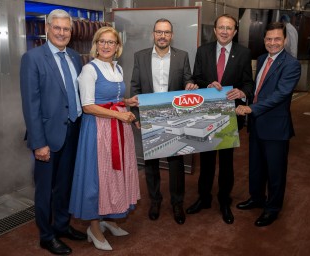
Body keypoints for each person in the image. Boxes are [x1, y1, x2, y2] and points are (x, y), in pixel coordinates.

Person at [20, 9, 86, 255]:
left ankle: (61, 225)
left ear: (71, 31)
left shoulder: (75, 57)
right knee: (45, 190)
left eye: (66, 28)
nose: (61, 32)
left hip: (73, 132)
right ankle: (46, 236)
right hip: (48, 137)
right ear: (47, 29)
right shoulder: (33, 58)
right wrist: (39, 143)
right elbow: (31, 105)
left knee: (65, 185)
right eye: (56, 28)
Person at [69, 26, 140, 251]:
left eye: (111, 42)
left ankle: (108, 219)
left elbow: (111, 98)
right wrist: (119, 114)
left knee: (115, 175)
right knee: (98, 178)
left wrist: (127, 102)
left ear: (117, 47)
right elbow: (88, 106)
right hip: (98, 130)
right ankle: (94, 228)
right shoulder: (89, 70)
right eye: (102, 42)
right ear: (96, 45)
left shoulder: (115, 67)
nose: (106, 46)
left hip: (117, 128)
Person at [186, 14, 254, 225]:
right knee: (205, 162)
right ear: (214, 30)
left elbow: (248, 84)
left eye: (229, 28)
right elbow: (196, 78)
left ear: (235, 32)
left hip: (230, 117)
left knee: (226, 163)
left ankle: (224, 200)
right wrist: (204, 86)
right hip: (206, 114)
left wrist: (240, 92)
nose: (225, 31)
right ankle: (204, 198)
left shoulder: (244, 53)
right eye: (221, 27)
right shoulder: (202, 51)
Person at [130, 18, 198, 225]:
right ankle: (155, 200)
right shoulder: (140, 56)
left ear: (172, 35)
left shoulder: (182, 56)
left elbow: (188, 79)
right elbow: (135, 88)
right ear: (153, 34)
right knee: (151, 164)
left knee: (176, 164)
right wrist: (138, 115)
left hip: (174, 117)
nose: (162, 36)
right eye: (159, 32)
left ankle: (177, 203)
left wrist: (190, 85)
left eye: (166, 32)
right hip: (150, 116)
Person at [235, 22, 301, 227]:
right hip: (257, 125)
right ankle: (256, 198)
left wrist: (251, 109)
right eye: (269, 39)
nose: (272, 43)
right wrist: (244, 96)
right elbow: (259, 90)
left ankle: (272, 209)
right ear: (264, 40)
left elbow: (280, 94)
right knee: (255, 167)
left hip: (275, 128)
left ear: (285, 40)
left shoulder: (291, 64)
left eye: (277, 39)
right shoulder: (263, 59)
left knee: (275, 172)